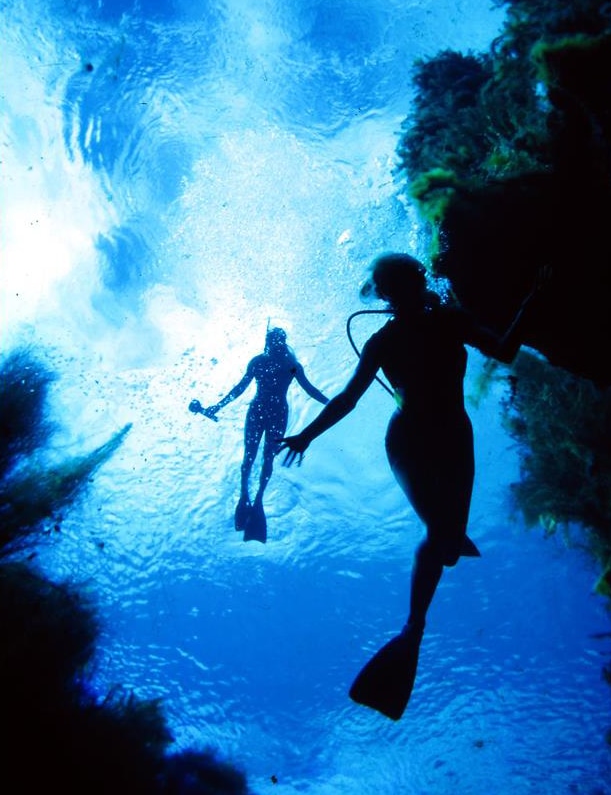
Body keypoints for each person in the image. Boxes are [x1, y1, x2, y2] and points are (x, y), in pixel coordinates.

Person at [280, 253, 549, 719]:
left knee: (446, 545)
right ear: (386, 295)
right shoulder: (385, 341)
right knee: (444, 535)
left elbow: (503, 350)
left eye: (412, 279)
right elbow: (347, 398)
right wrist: (307, 434)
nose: (408, 289)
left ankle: (411, 631)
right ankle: (413, 629)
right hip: (409, 439)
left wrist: (532, 301)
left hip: (452, 437)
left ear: (417, 282)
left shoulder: (448, 320)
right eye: (398, 284)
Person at [195, 327, 328, 543]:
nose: (275, 345)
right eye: (272, 341)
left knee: (264, 456)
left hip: (268, 412)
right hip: (263, 411)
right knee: (254, 454)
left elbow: (309, 389)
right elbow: (240, 388)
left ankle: (253, 497)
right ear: (270, 342)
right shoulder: (265, 362)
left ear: (280, 342)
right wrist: (216, 407)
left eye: (277, 341)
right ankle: (247, 495)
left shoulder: (289, 365)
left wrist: (332, 404)